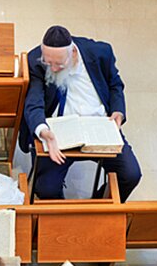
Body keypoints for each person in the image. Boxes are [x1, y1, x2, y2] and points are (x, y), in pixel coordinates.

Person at [19, 25, 142, 202]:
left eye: (59, 64)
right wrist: (43, 131)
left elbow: (115, 84)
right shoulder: (35, 60)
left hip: (98, 126)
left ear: (74, 54)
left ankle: (100, 205)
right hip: (59, 132)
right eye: (49, 63)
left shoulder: (100, 52)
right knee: (46, 188)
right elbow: (34, 102)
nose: (53, 68)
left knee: (130, 175)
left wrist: (118, 111)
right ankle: (65, 214)